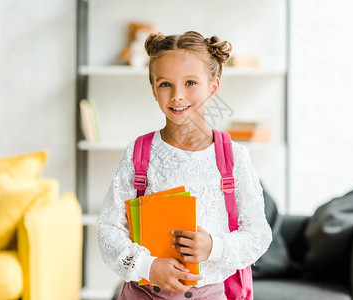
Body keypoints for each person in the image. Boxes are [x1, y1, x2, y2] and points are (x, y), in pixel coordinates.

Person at [97, 30, 272, 299]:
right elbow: (109, 229)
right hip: (142, 293)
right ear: (154, 90)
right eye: (165, 84)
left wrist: (213, 247)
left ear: (213, 86)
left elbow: (259, 234)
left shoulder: (233, 157)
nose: (177, 95)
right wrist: (149, 266)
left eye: (190, 82)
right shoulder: (138, 153)